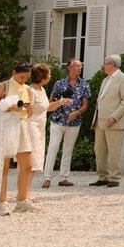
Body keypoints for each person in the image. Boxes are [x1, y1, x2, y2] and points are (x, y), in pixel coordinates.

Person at [0, 62, 39, 214]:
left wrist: (29, 109)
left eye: (26, 78)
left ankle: (22, 200)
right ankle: (2, 203)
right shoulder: (2, 86)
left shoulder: (28, 90)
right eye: (21, 77)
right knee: (4, 166)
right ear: (14, 73)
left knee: (28, 165)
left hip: (23, 126)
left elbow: (29, 115)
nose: (23, 80)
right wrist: (10, 108)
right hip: (6, 126)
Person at [43, 58, 89, 188]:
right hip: (58, 120)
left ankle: (64, 177)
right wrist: (59, 102)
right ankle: (47, 177)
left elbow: (85, 105)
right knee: (53, 148)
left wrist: (77, 113)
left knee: (68, 150)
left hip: (74, 122)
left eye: (80, 66)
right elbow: (50, 102)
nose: (79, 68)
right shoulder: (59, 84)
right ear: (69, 68)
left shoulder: (84, 84)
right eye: (76, 66)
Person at [90, 55, 124, 188]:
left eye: (105, 63)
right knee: (99, 150)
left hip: (115, 121)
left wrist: (114, 116)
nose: (103, 66)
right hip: (100, 120)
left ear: (112, 64)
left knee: (114, 151)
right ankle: (102, 176)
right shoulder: (105, 80)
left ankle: (114, 177)